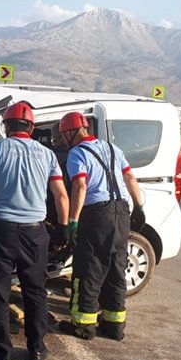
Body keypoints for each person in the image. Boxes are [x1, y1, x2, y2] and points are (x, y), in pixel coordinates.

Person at [0, 101, 69, 360]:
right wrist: (64, 227)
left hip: (2, 231)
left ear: (6, 126)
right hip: (35, 233)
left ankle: (2, 353)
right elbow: (60, 195)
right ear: (31, 127)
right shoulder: (47, 155)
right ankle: (36, 349)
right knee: (35, 291)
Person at [56, 112, 145, 342]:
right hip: (122, 212)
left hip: (96, 214)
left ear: (69, 132)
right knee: (116, 268)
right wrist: (139, 207)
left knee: (89, 268)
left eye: (63, 135)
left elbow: (80, 186)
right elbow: (130, 179)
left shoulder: (77, 153)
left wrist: (73, 220)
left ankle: (84, 326)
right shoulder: (113, 149)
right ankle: (115, 326)